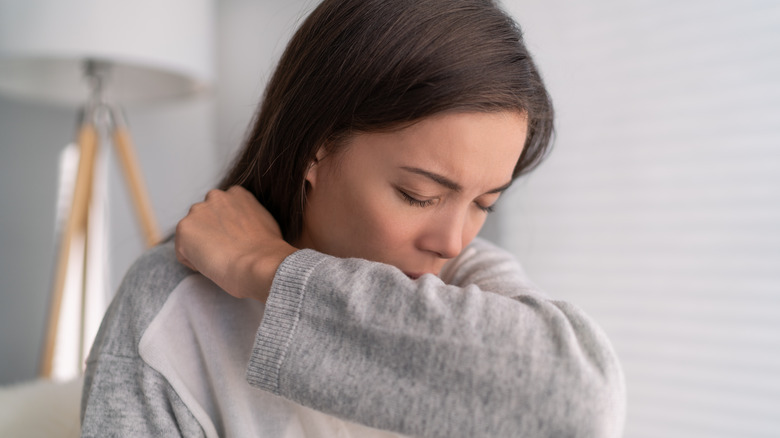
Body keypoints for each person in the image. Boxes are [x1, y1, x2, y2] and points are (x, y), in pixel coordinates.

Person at [81, 0, 626, 437]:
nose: (453, 241)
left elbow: (582, 404)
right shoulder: (168, 317)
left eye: (485, 204)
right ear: (316, 148)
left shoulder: (470, 283)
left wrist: (265, 266)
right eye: (418, 194)